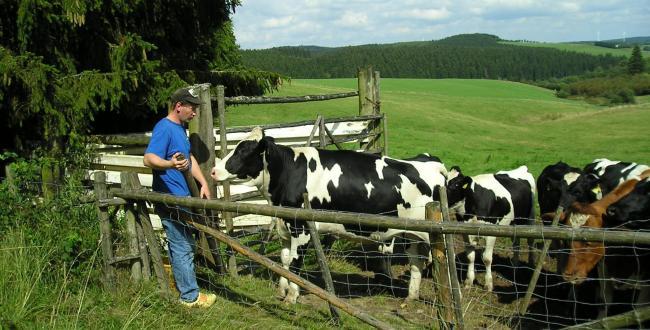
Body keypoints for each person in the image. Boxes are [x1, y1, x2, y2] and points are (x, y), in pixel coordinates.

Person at [143, 86, 216, 308]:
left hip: (181, 197)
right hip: (169, 199)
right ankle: (190, 297)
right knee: (183, 246)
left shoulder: (180, 128)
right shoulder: (164, 128)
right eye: (191, 108)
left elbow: (189, 158)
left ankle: (184, 288)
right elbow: (148, 158)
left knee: (183, 245)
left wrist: (203, 183)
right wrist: (170, 164)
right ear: (178, 106)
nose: (194, 113)